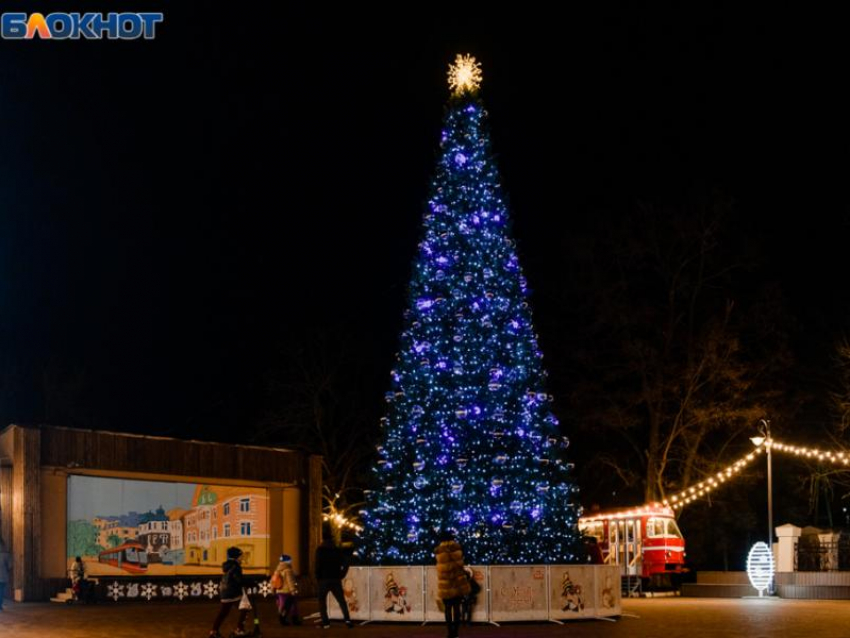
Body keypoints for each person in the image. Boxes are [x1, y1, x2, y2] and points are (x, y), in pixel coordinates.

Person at [435, 530, 470, 638]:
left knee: (448, 608)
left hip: (445, 584)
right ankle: (456, 633)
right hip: (457, 583)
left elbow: (439, 568)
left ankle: (449, 633)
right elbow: (461, 564)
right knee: (456, 608)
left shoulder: (438, 550)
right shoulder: (457, 548)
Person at [315, 531, 353, 629]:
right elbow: (346, 561)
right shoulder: (337, 550)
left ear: (323, 540)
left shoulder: (320, 550)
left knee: (321, 601)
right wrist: (342, 574)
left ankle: (326, 622)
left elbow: (317, 565)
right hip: (336, 578)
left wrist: (317, 577)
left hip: (323, 579)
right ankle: (348, 620)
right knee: (341, 600)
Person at [210, 547, 249, 638]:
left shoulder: (228, 565)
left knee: (223, 613)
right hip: (233, 592)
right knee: (245, 608)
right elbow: (238, 579)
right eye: (240, 556)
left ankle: (213, 631)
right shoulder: (235, 566)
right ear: (236, 557)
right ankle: (239, 629)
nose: (242, 558)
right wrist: (250, 583)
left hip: (225, 592)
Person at [272, 554, 301, 625]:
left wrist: (273, 589)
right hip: (287, 592)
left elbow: (273, 581)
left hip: (279, 591)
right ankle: (294, 620)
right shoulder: (288, 570)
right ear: (288, 561)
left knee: (281, 605)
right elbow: (290, 581)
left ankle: (282, 618)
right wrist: (293, 590)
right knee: (293, 606)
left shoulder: (277, 570)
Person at [0, 539, 11, 611]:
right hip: (3, 576)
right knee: (1, 591)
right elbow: (10, 567)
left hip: (3, 576)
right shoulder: (6, 555)